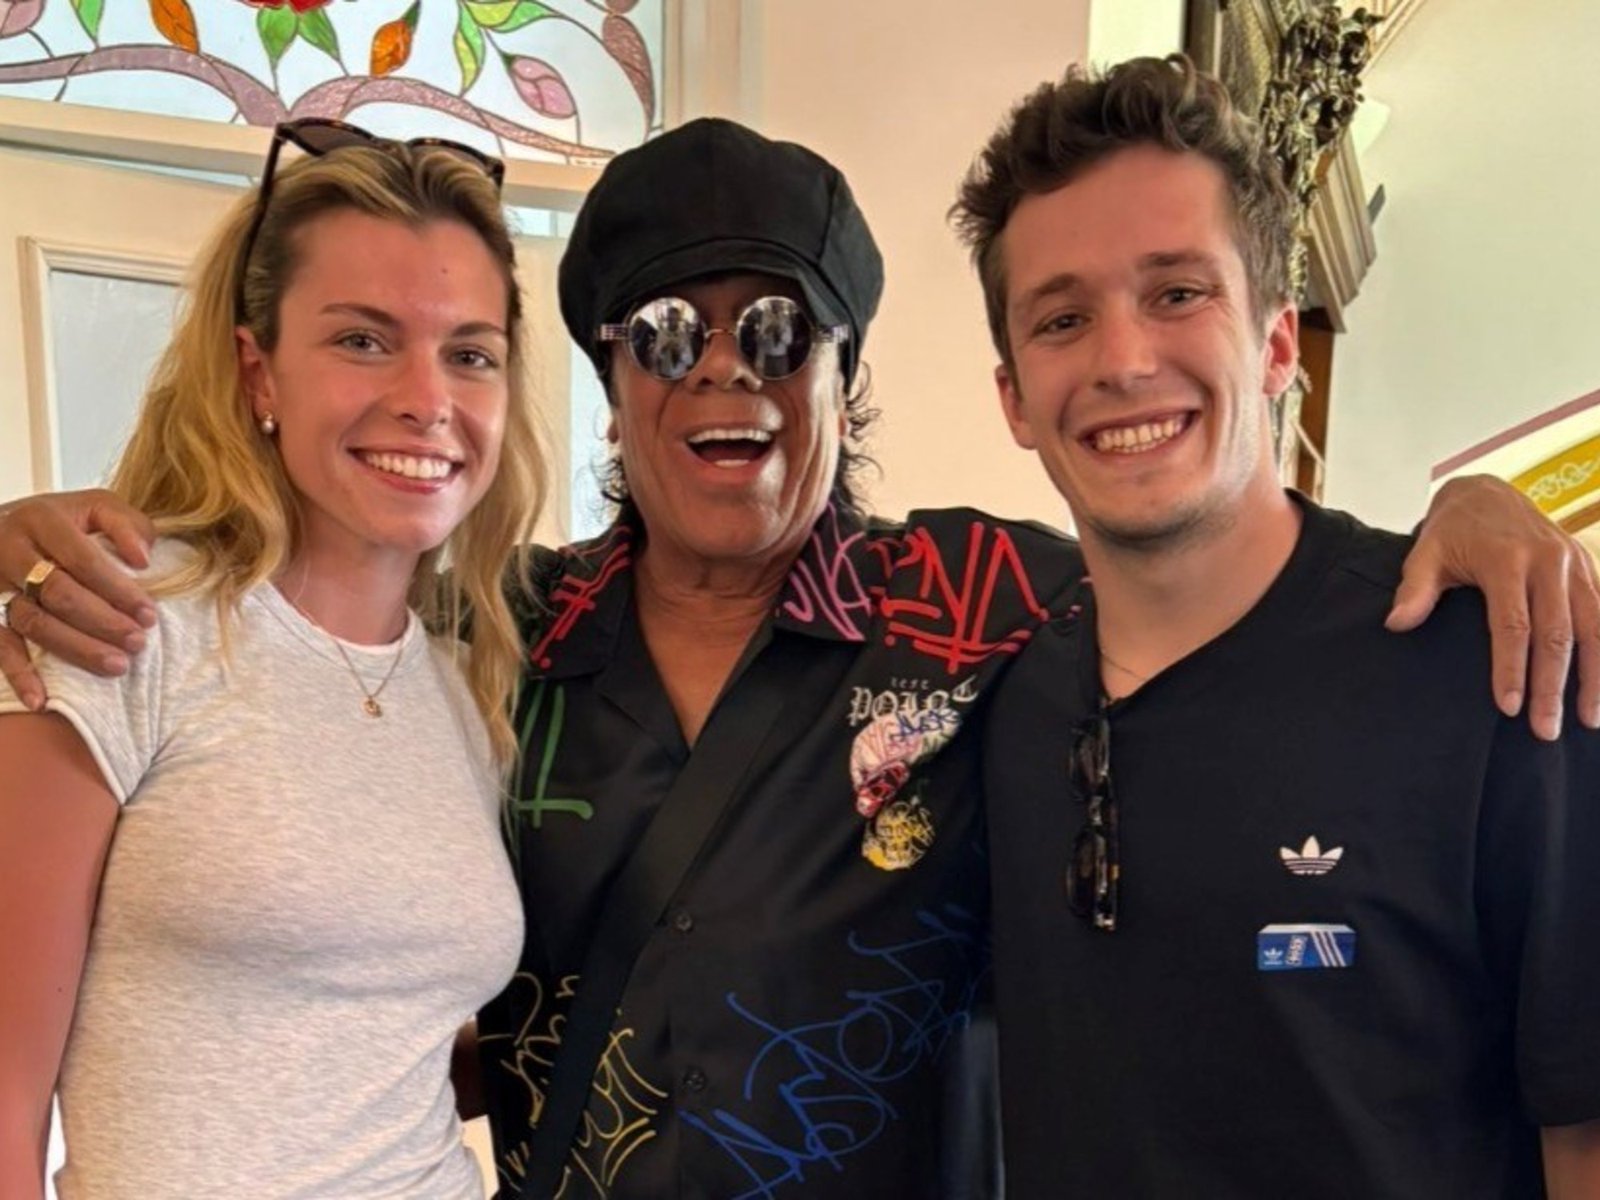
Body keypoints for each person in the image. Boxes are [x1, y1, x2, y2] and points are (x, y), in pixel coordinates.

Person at [0, 117, 1594, 1200]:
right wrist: (16, 542)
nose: (724, 376)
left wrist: (1473, 522)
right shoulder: (496, 635)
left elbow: (1205, 568)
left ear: (845, 375)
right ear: (610, 384)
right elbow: (287, 654)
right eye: (663, 336)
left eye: (779, 333)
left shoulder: (987, 602)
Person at [948, 55, 1600, 1196]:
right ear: (1013, 397)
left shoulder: (1493, 661)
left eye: (1177, 293)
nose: (1123, 360)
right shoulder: (990, 688)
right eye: (1062, 318)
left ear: (1276, 343)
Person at [0, 119, 546, 1198]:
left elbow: (368, 1048)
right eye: (363, 340)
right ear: (260, 373)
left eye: (470, 354)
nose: (427, 399)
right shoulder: (118, 623)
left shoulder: (469, 684)